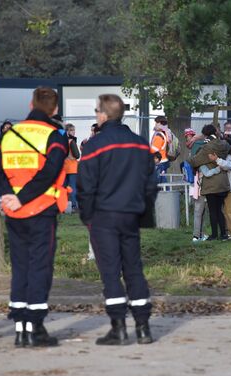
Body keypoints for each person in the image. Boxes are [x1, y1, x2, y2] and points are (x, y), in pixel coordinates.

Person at [77, 94, 158, 345]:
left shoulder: (94, 146)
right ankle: (143, 327)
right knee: (134, 269)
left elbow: (85, 187)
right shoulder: (140, 144)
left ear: (102, 115)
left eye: (96, 111)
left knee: (110, 273)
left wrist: (87, 216)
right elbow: (150, 185)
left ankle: (118, 327)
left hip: (103, 216)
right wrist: (143, 214)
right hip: (130, 215)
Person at [0, 87, 68, 347]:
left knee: (20, 266)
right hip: (41, 209)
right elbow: (50, 172)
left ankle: (19, 328)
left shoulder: (9, 134)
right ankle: (36, 327)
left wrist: (7, 196)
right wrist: (23, 198)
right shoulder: (55, 136)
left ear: (30, 104)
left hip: (14, 212)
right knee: (40, 267)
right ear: (55, 109)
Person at [189, 124, 231, 241]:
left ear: (204, 134)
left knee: (213, 211)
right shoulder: (224, 144)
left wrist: (191, 159)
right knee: (220, 209)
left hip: (211, 184)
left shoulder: (206, 147)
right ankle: (224, 234)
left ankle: (214, 235)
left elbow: (194, 162)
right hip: (223, 183)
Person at [185, 128, 208, 242]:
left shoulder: (191, 160)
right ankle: (197, 235)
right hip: (202, 187)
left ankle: (198, 235)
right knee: (200, 211)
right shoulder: (203, 165)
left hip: (195, 187)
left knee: (198, 212)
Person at [63, 123, 81, 211]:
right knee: (73, 187)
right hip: (72, 167)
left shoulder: (62, 141)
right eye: (71, 130)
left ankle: (64, 206)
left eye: (74, 130)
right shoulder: (71, 141)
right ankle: (74, 205)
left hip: (63, 168)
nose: (74, 132)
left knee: (64, 188)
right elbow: (77, 155)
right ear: (67, 131)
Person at [150, 116, 171, 183]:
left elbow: (154, 149)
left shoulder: (159, 136)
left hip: (160, 161)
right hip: (164, 160)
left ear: (159, 124)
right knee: (162, 179)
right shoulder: (165, 134)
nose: (155, 125)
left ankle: (166, 192)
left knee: (160, 181)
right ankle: (166, 192)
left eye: (156, 123)